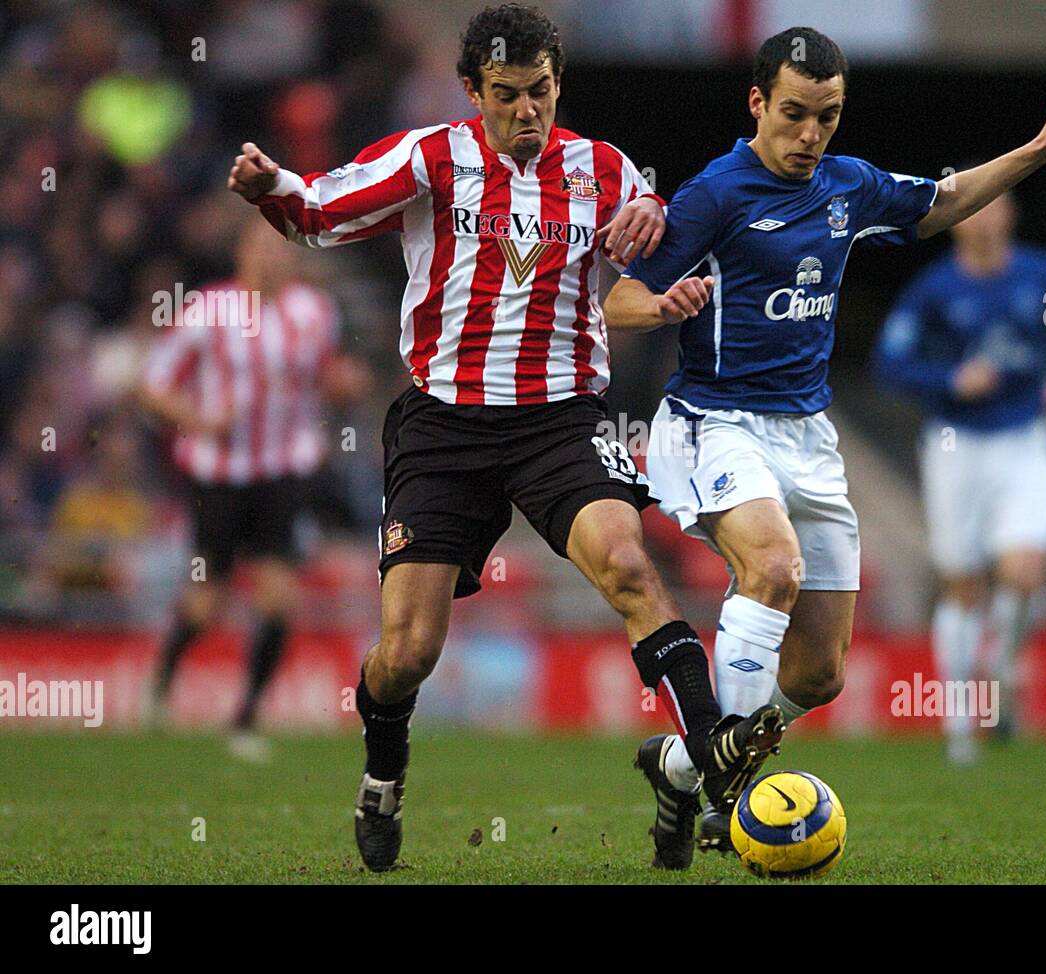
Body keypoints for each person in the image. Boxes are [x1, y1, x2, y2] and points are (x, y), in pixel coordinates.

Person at [227, 3, 781, 873]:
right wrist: (271, 188)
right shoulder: (431, 157)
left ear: (560, 84)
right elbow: (320, 212)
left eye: (542, 92)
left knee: (632, 568)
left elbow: (650, 241)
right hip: (442, 424)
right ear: (472, 92)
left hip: (560, 418)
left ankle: (719, 776)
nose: (528, 111)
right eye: (509, 94)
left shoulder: (603, 171)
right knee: (407, 652)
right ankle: (383, 772)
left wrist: (656, 248)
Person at [604, 26, 1046, 849]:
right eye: (795, 114)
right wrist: (661, 307)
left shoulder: (848, 185)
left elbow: (941, 203)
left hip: (808, 433)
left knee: (820, 674)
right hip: (715, 422)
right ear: (758, 102)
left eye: (827, 118)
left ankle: (684, 767)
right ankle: (732, 800)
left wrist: (1039, 152)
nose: (810, 136)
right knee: (771, 568)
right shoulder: (713, 196)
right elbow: (620, 298)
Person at [139, 215, 361, 761]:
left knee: (279, 598)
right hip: (219, 476)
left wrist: (343, 385)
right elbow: (153, 386)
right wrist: (200, 418)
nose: (271, 258)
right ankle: (161, 686)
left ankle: (245, 718)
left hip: (285, 471)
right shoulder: (209, 310)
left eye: (280, 248)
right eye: (261, 247)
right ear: (242, 253)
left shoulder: (314, 312)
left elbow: (329, 379)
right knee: (206, 602)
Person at [875, 192, 1046, 763]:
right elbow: (889, 363)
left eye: (995, 206)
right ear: (955, 224)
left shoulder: (1041, 272)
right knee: (963, 584)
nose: (985, 218)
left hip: (1026, 439)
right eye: (973, 209)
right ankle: (962, 721)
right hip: (955, 445)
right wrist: (949, 380)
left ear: (1010, 215)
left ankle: (1004, 668)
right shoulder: (933, 290)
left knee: (1025, 569)